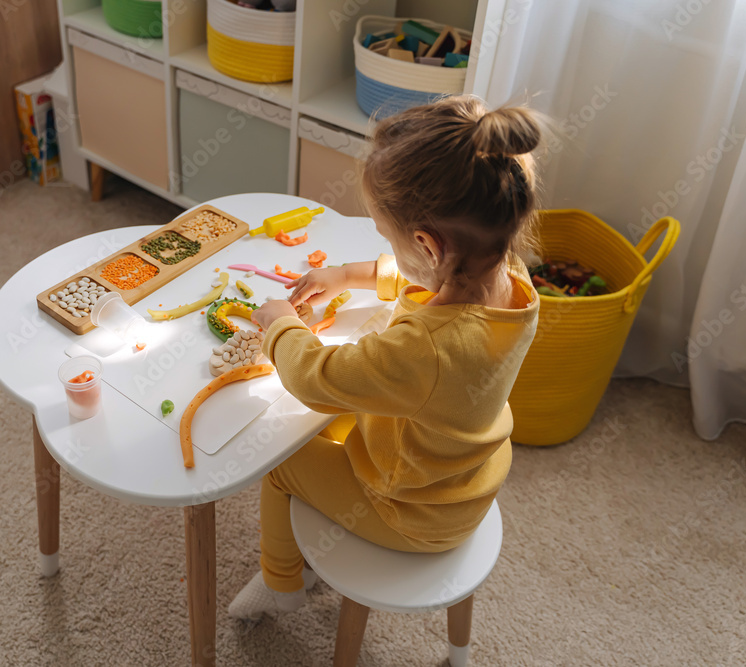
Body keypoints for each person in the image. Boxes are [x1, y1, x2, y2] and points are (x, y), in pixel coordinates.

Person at [230, 95, 544, 619]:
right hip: (461, 475)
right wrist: (351, 274)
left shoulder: (424, 349)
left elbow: (316, 376)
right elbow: (435, 274)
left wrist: (278, 322)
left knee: (281, 460)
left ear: (426, 245)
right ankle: (303, 556)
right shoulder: (510, 275)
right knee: (329, 425)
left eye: (385, 236)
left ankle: (280, 585)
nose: (386, 246)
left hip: (411, 510)